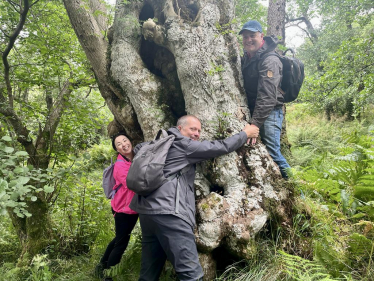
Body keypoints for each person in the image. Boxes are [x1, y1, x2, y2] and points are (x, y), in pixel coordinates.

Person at [130, 115, 259, 281]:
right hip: (170, 213)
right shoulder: (183, 144)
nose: (197, 133)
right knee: (191, 274)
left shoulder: (156, 145)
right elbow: (219, 146)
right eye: (192, 129)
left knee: (148, 273)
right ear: (179, 129)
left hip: (147, 213)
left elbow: (137, 149)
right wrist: (245, 134)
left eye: (199, 130)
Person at [239, 20, 291, 178]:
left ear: (261, 36)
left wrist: (254, 125)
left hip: (270, 112)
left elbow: (268, 97)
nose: (248, 40)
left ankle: (299, 190)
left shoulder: (270, 60)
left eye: (252, 35)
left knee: (272, 152)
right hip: (256, 110)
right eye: (245, 37)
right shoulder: (248, 57)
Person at [96, 133, 138, 281]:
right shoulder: (120, 165)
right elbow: (133, 184)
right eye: (119, 144)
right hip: (123, 209)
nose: (124, 144)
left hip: (132, 208)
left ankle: (101, 266)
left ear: (130, 140)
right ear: (117, 149)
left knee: (120, 238)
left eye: (125, 140)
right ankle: (108, 276)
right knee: (121, 243)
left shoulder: (137, 156)